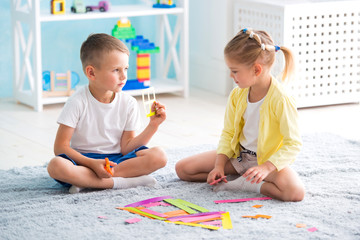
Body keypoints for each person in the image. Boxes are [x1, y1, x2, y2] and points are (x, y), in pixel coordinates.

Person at [175, 28, 305, 202]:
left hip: (266, 161)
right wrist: (219, 166)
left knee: (295, 192)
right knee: (183, 169)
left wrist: (266, 168)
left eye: (235, 71)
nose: (231, 75)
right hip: (239, 156)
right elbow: (228, 133)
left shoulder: (281, 100)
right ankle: (237, 177)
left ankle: (248, 184)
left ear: (257, 70)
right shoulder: (237, 95)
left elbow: (293, 143)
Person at [47, 33, 167, 194]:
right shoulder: (77, 102)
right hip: (83, 161)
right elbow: (60, 147)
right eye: (116, 70)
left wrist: (153, 125)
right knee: (56, 166)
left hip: (117, 161)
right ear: (91, 73)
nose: (124, 76)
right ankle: (122, 182)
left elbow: (127, 148)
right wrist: (91, 163)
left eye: (125, 68)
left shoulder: (128, 103)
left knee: (159, 156)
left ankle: (88, 182)